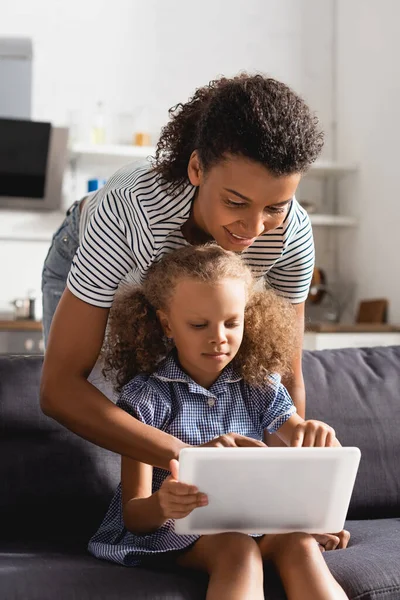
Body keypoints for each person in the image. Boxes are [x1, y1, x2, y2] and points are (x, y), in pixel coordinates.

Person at [40, 72, 323, 468]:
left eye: (274, 207)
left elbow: (285, 379)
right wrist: (191, 459)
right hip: (96, 251)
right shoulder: (131, 211)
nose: (254, 229)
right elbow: (59, 388)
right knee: (107, 432)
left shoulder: (291, 235)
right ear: (196, 169)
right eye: (236, 202)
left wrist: (293, 499)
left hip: (183, 293)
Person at [88, 244, 349, 600]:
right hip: (175, 533)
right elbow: (135, 515)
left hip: (254, 524)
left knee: (300, 543)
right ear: (166, 324)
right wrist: (164, 504)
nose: (219, 338)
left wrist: (313, 436)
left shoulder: (259, 385)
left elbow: (298, 442)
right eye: (198, 325)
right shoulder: (145, 399)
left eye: (232, 322)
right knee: (235, 547)